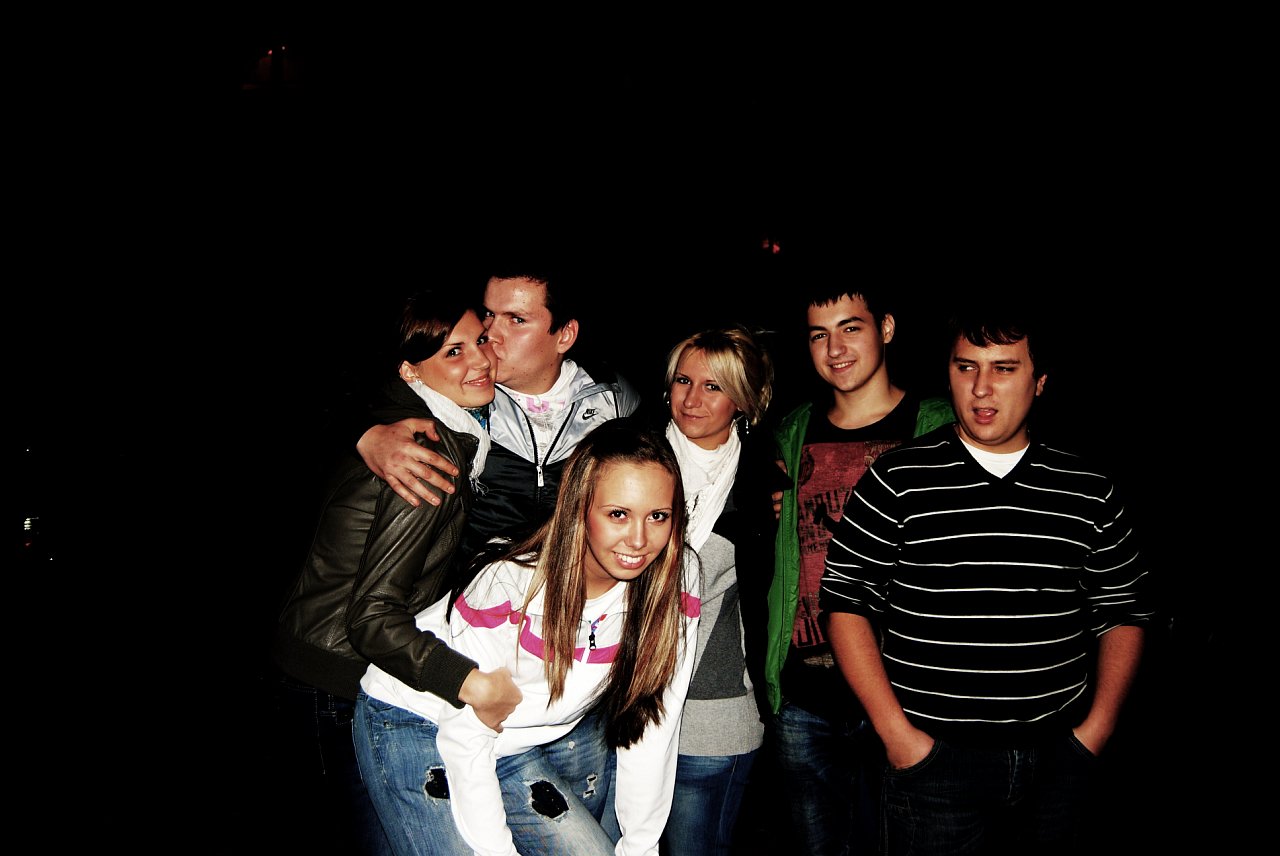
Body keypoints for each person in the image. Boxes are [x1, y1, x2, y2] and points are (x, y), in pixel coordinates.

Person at [821, 302, 1152, 855]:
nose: (981, 388)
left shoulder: (1087, 489)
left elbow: (1123, 610)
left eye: (1004, 368)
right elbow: (845, 603)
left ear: (1040, 381)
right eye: (966, 367)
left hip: (1057, 760)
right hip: (933, 767)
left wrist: (1095, 732)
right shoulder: (897, 480)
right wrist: (898, 737)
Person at [354, 419, 700, 855]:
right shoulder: (512, 586)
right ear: (579, 508)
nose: (639, 540)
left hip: (511, 743)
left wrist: (640, 846)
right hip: (418, 718)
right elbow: (466, 738)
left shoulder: (675, 581)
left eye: (658, 516)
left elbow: (654, 723)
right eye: (618, 514)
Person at [269, 290, 522, 855]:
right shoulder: (425, 454)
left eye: (479, 342)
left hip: (311, 656)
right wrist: (468, 682)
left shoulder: (416, 422)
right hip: (336, 677)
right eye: (453, 352)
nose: (480, 360)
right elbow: (373, 617)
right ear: (411, 371)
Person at [765, 284, 955, 855]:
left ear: (886, 328)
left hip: (909, 690)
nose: (835, 348)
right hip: (806, 695)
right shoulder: (791, 431)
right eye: (819, 335)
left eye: (851, 327)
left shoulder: (941, 425)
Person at [354, 263, 641, 568]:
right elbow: (365, 397)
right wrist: (364, 434)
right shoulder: (459, 391)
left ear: (565, 335)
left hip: (570, 585)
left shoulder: (614, 401)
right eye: (489, 314)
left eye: (517, 319)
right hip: (468, 588)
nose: (490, 334)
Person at [652, 325, 783, 855]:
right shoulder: (632, 460)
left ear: (743, 400)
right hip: (622, 708)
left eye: (714, 386)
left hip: (712, 714)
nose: (692, 399)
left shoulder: (760, 483)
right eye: (683, 381)